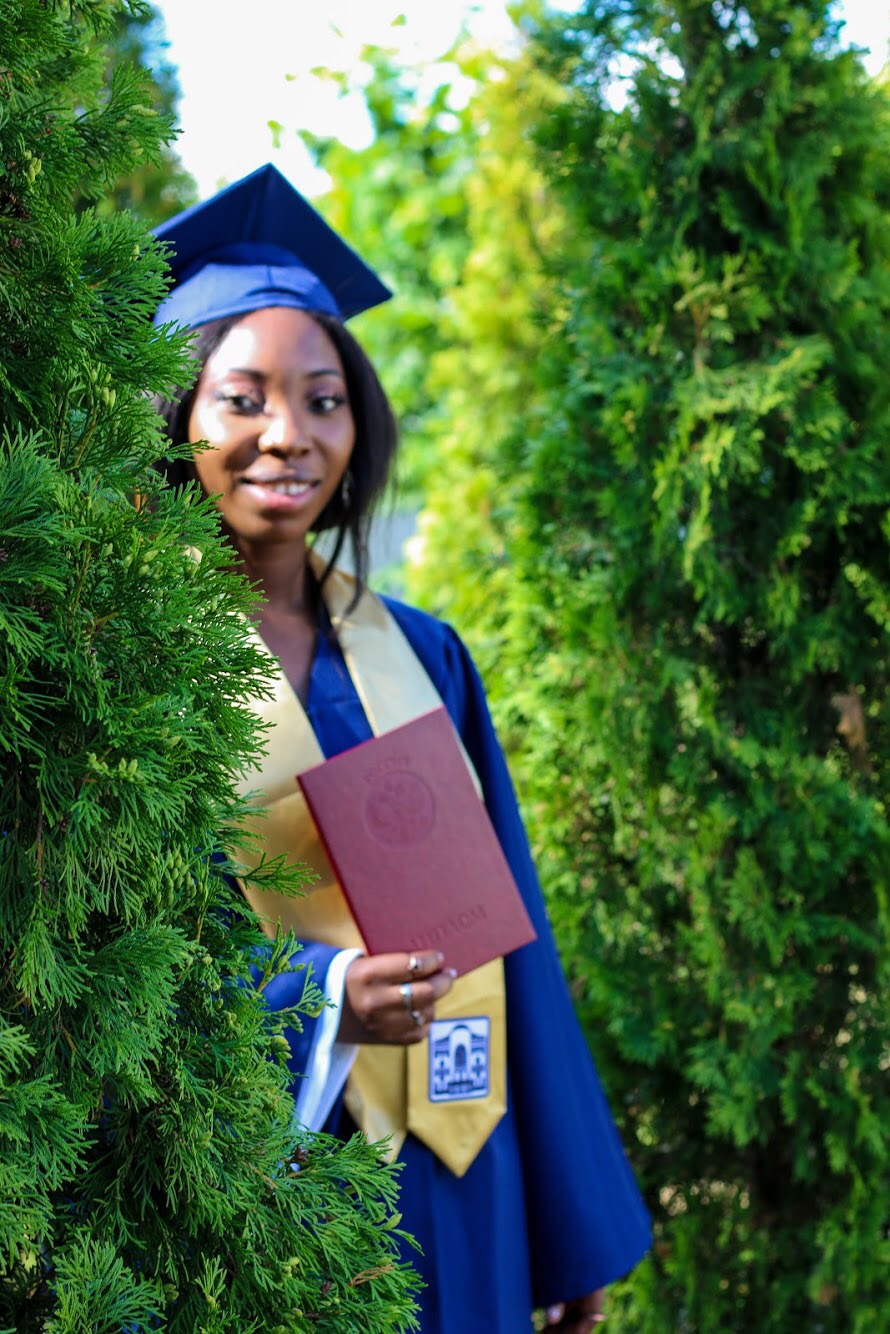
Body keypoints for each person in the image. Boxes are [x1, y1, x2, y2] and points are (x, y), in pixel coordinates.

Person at [153, 164, 651, 1334]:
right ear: (176, 419)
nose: (288, 432)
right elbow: (107, 964)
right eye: (242, 397)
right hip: (260, 1173)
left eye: (324, 398)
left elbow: (507, 929)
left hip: (456, 1164)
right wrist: (319, 997)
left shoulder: (424, 654)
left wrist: (564, 1219)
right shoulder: (130, 673)